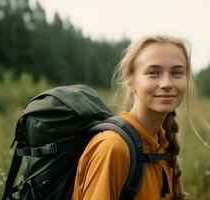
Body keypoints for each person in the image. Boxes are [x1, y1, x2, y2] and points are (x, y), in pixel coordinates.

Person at [72, 34, 195, 200]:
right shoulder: (113, 147)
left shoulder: (163, 145)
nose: (167, 83)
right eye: (153, 73)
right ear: (130, 81)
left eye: (177, 73)